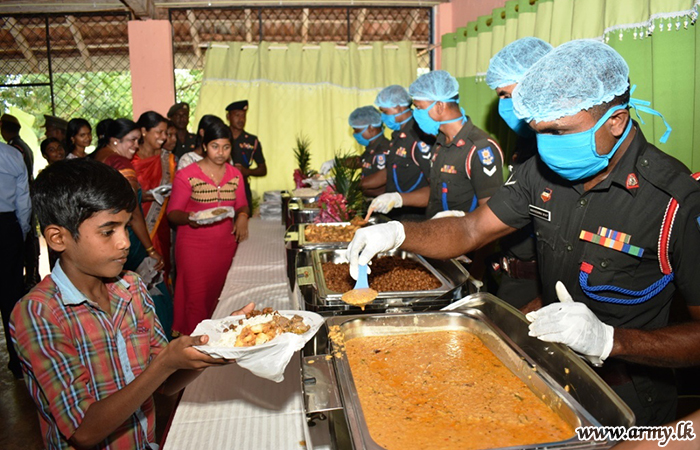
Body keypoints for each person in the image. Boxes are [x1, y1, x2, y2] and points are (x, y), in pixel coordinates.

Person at [347, 40, 700, 426]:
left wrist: (611, 340)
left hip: (628, 400)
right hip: (550, 377)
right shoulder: (540, 172)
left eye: (559, 131)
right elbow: (471, 228)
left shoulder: (675, 200)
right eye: (539, 131)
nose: (548, 146)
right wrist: (398, 234)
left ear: (615, 121)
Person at [10, 158, 252, 449]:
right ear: (58, 238)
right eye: (108, 231)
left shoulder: (132, 288)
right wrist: (164, 363)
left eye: (126, 227)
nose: (125, 242)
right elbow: (82, 431)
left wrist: (217, 343)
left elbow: (165, 383)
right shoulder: (39, 313)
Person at [370, 71, 505, 220]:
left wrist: (461, 218)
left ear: (439, 106)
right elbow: (435, 193)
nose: (416, 114)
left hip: (463, 233)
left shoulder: (480, 147)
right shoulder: (440, 143)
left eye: (419, 107)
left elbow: (491, 213)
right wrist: (398, 199)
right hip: (435, 229)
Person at [483, 37, 553, 309]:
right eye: (501, 96)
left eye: (507, 95)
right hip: (513, 276)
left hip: (544, 286)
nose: (504, 104)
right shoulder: (524, 140)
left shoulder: (560, 149)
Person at [167, 120, 250, 335]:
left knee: (221, 296)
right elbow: (172, 213)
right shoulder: (187, 175)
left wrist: (242, 216)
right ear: (204, 146)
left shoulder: (235, 175)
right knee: (196, 298)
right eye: (215, 146)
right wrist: (190, 218)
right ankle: (196, 344)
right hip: (194, 246)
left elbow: (242, 204)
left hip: (225, 246)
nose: (221, 153)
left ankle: (219, 342)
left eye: (226, 147)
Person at [92, 119, 172, 337]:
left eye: (138, 140)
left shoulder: (97, 158)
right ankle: (158, 340)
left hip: (103, 235)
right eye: (132, 140)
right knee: (152, 292)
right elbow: (133, 212)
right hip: (128, 236)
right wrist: (151, 250)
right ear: (114, 140)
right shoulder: (122, 164)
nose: (136, 146)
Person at [374, 85, 434, 218]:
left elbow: (434, 183)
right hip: (397, 212)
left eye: (385, 112)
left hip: (415, 214)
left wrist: (398, 199)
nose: (383, 117)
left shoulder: (418, 134)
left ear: (398, 108)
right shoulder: (397, 135)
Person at [133, 111, 176, 282]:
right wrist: (143, 196)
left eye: (165, 132)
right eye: (159, 132)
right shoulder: (131, 159)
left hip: (161, 222)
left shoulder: (168, 159)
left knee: (162, 268)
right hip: (136, 223)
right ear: (144, 131)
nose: (164, 137)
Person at [0, 142, 30, 379]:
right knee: (10, 294)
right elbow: (23, 200)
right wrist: (21, 230)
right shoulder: (11, 155)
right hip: (6, 226)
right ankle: (19, 362)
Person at [1, 113, 41, 289]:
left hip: (9, 221)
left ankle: (32, 277)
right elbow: (22, 198)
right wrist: (22, 228)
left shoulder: (17, 147)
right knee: (10, 280)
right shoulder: (14, 152)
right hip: (8, 222)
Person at [226, 100, 267, 207]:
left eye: (243, 116)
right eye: (237, 115)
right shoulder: (220, 136)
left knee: (244, 215)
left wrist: (247, 171)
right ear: (228, 117)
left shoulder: (252, 140)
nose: (241, 119)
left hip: (242, 188)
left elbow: (263, 169)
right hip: (221, 188)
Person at [348, 105, 390, 197]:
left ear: (371, 129)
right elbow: (359, 161)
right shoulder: (371, 147)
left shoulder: (383, 150)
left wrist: (350, 185)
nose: (354, 134)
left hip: (381, 202)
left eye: (357, 130)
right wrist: (335, 162)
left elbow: (381, 179)